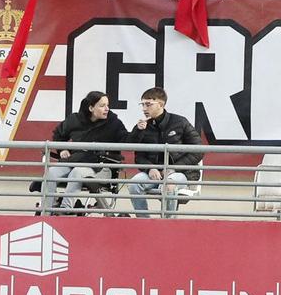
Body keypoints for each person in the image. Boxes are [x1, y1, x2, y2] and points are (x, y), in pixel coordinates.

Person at [42, 89, 128, 214]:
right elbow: (58, 135)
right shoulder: (74, 119)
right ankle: (47, 211)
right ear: (91, 108)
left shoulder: (114, 123)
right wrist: (62, 149)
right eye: (102, 105)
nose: (107, 109)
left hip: (101, 167)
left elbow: (127, 140)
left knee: (77, 172)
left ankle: (65, 211)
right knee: (51, 172)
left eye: (107, 105)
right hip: (73, 161)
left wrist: (139, 130)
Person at [124, 86, 203, 216]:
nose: (144, 108)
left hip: (181, 173)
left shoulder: (180, 122)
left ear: (161, 104)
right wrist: (150, 168)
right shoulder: (143, 126)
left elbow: (198, 150)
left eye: (148, 104)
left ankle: (167, 223)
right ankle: (143, 222)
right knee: (133, 184)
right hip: (154, 173)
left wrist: (173, 168)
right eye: (142, 104)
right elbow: (136, 153)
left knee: (169, 184)